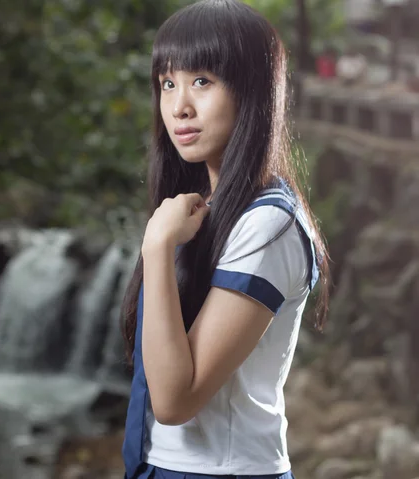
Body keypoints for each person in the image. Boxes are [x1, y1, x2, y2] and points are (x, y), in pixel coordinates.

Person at [120, 1, 331, 478]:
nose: (179, 106)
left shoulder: (268, 226)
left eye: (202, 81)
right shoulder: (203, 207)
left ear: (252, 92)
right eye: (167, 84)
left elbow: (175, 400)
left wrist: (156, 249)